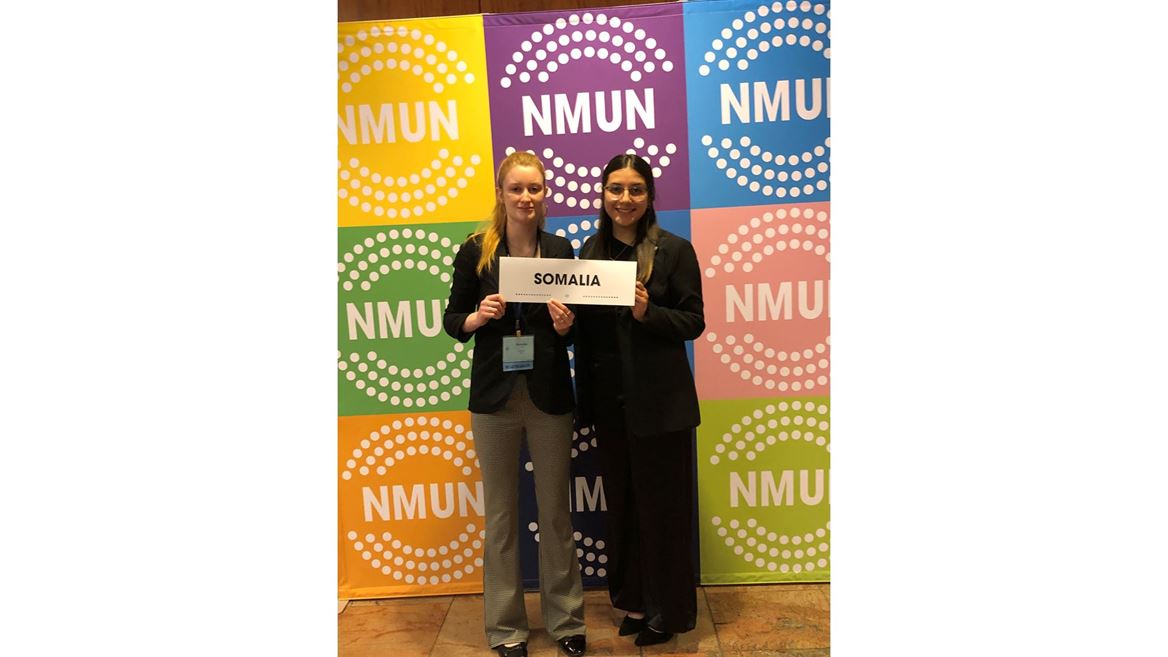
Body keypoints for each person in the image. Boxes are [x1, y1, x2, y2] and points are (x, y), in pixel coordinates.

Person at [443, 151, 587, 657]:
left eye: (535, 188)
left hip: (548, 397)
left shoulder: (559, 248)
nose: (527, 197)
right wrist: (477, 318)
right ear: (501, 193)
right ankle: (506, 630)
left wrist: (569, 328)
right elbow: (452, 322)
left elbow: (575, 329)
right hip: (494, 400)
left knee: (555, 516)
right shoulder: (476, 251)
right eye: (517, 189)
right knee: (501, 518)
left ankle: (567, 621)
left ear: (544, 192)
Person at [573, 154, 705, 647]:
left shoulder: (674, 250)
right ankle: (633, 602)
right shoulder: (590, 253)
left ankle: (667, 614)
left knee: (664, 512)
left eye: (634, 190)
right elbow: (592, 332)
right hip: (612, 407)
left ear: (649, 197)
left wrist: (650, 312)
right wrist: (568, 329)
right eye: (615, 189)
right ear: (602, 195)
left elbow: (693, 321)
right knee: (624, 509)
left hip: (662, 408)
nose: (624, 199)